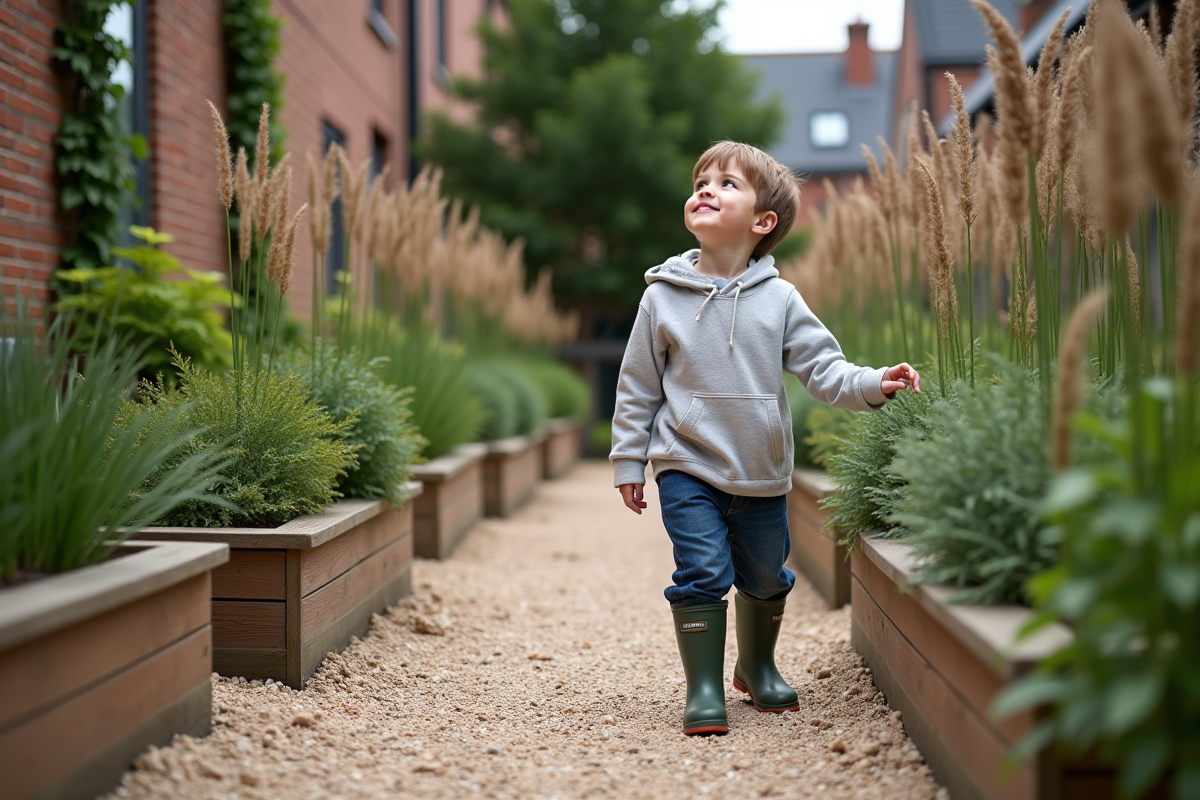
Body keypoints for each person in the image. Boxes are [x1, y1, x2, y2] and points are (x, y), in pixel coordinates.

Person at [610, 141, 920, 736]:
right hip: (686, 464)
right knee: (701, 571)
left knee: (766, 577)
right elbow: (637, 387)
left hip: (761, 470)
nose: (705, 188)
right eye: (700, 180)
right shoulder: (661, 297)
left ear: (762, 222)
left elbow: (826, 370)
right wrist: (629, 460)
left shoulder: (779, 299)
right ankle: (703, 688)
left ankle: (756, 665)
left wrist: (877, 383)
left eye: (726, 183)